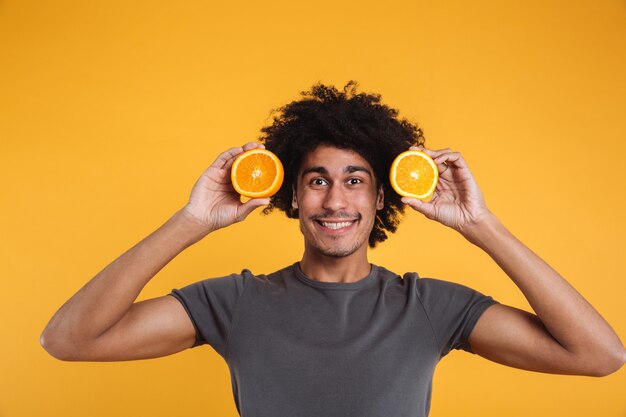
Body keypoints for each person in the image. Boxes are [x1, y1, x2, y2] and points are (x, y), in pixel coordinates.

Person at [41, 82, 625, 417]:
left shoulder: (428, 307)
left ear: (381, 197)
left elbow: (600, 356)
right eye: (317, 179)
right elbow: (68, 341)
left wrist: (482, 225)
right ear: (292, 195)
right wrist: (191, 221)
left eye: (355, 179)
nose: (335, 199)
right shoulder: (236, 302)